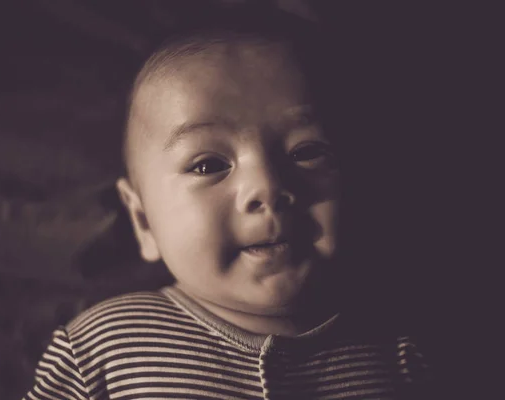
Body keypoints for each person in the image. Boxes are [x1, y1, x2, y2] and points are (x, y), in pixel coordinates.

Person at [23, 4, 433, 399]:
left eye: (307, 152)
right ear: (143, 220)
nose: (267, 187)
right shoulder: (104, 346)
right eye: (208, 165)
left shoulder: (399, 350)